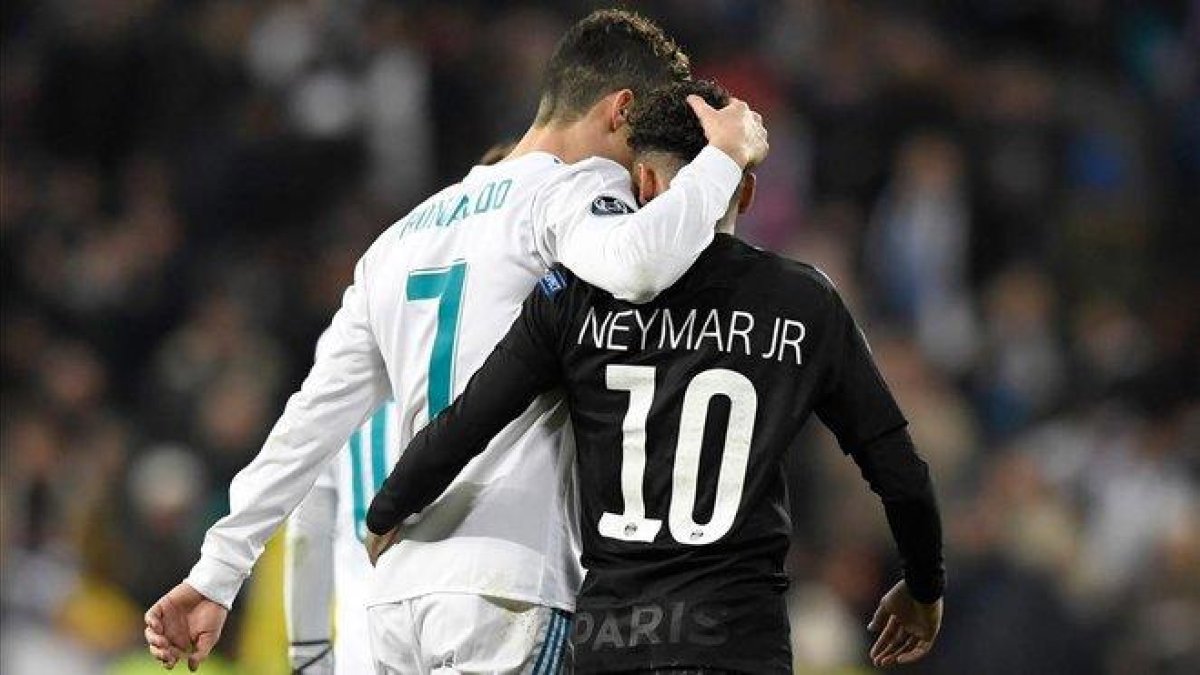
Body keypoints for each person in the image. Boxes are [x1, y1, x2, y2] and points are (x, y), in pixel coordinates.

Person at [144, 9, 769, 674]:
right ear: (621, 111)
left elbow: (307, 427)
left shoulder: (400, 239)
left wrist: (217, 572)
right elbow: (640, 265)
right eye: (643, 145)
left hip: (396, 603)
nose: (640, 176)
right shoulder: (572, 191)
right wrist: (723, 161)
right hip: (506, 588)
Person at [365, 80, 944, 673]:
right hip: (738, 642)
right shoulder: (804, 301)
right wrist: (924, 587)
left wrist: (388, 508)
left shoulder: (574, 294)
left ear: (641, 182)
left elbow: (470, 419)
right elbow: (898, 471)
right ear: (745, 192)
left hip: (612, 642)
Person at [280, 146, 512, 675]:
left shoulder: (353, 329)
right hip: (477, 624)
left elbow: (308, 517)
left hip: (364, 645)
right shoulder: (519, 343)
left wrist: (308, 654)